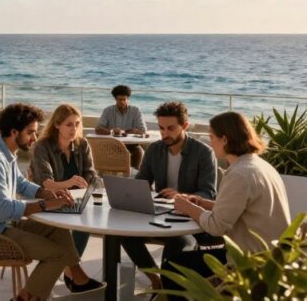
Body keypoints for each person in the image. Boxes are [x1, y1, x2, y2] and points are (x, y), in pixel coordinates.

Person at [0, 103, 103, 300]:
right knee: (57, 255)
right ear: (13, 132)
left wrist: (46, 194)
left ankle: (77, 279)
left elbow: (20, 183)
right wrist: (46, 205)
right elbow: (3, 209)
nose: (35, 138)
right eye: (30, 133)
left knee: (58, 230)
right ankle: (25, 298)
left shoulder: (5, 151)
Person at [165, 111, 290, 293]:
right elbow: (242, 210)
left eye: (212, 137)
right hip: (271, 257)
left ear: (224, 139)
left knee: (174, 266)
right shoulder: (259, 166)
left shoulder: (239, 174)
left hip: (249, 262)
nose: (210, 142)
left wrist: (189, 208)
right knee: (179, 259)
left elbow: (216, 226)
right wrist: (201, 203)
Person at [121, 101, 217, 290]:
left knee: (178, 244)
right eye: (161, 128)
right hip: (161, 215)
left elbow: (208, 193)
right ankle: (157, 282)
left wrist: (181, 196)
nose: (165, 133)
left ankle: (169, 288)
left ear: (185, 125)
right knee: (126, 236)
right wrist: (129, 192)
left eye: (171, 128)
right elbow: (142, 182)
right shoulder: (155, 149)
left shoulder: (204, 152)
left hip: (190, 219)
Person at [29, 104, 96, 282]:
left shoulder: (82, 144)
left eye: (77, 124)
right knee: (79, 219)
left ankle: (71, 268)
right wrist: (71, 182)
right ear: (57, 124)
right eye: (69, 124)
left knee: (86, 221)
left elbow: (90, 173)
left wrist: (87, 186)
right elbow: (45, 182)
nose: (74, 129)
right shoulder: (42, 146)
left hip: (76, 200)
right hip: (51, 200)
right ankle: (72, 269)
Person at [95, 84, 147, 168]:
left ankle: (134, 176)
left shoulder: (135, 111)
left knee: (139, 151)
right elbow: (98, 129)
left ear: (128, 98)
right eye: (119, 99)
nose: (122, 102)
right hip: (112, 145)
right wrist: (111, 131)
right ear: (115, 99)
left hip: (131, 145)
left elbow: (143, 130)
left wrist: (127, 131)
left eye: (124, 99)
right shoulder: (108, 111)